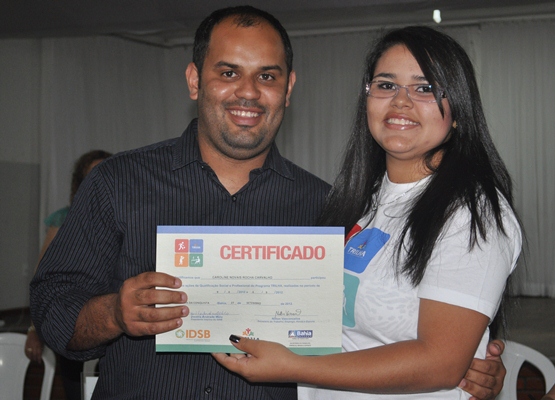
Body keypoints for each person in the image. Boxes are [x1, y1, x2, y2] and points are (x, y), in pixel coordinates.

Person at [30, 8, 505, 399]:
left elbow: (363, 320)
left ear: (288, 89)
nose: (248, 92)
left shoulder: (327, 208)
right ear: (195, 80)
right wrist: (114, 314)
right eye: (228, 73)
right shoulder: (118, 183)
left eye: (267, 76)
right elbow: (53, 309)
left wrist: (464, 362)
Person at [213, 26, 522, 400]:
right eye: (386, 85)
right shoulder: (362, 199)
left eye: (425, 88)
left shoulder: (470, 213)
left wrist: (293, 366)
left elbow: (439, 362)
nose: (401, 102)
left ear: (457, 108)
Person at [25, 150, 112, 399]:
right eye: (93, 175)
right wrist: (34, 329)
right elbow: (43, 279)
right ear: (81, 183)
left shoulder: (127, 217)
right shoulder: (64, 218)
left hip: (114, 321)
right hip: (73, 319)